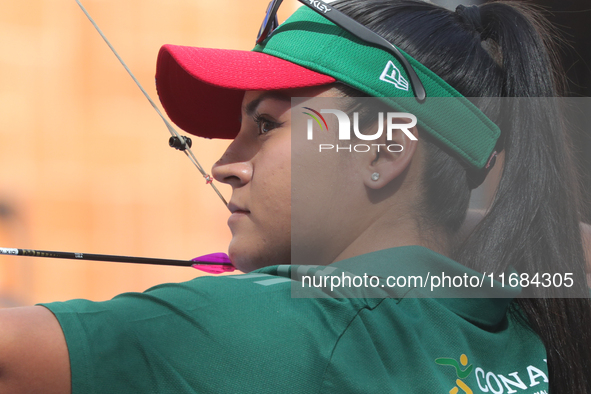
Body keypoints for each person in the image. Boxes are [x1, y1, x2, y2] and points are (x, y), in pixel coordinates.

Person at [0, 0, 590, 393]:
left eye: (265, 125)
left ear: (384, 150)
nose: (223, 166)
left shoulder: (281, 327)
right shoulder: (521, 321)